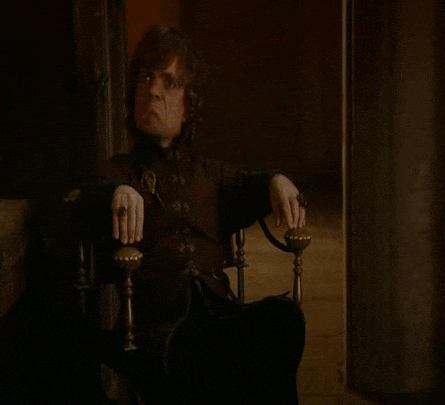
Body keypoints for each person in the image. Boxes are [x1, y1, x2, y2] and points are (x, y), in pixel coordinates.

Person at [77, 23, 307, 405]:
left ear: (189, 103)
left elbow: (250, 184)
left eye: (168, 82)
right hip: (159, 329)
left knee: (283, 320)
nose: (152, 90)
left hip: (218, 315)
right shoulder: (118, 172)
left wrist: (276, 180)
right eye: (146, 77)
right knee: (214, 357)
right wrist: (115, 193)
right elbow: (87, 197)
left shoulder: (209, 174)